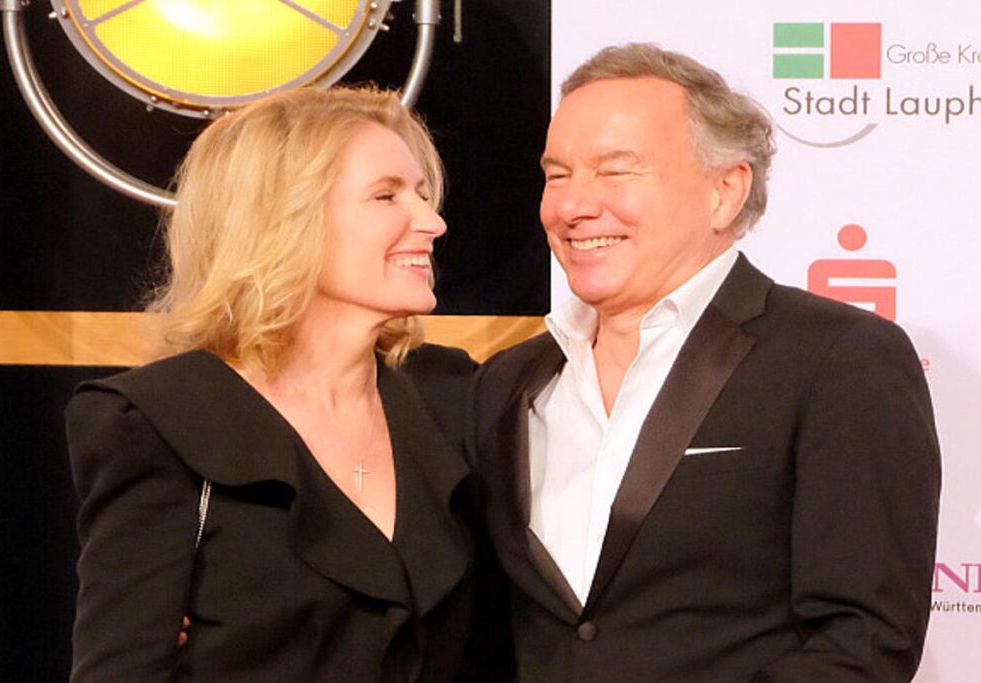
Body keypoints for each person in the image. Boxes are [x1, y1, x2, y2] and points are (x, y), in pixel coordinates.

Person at [469, 43, 941, 681]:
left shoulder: (839, 359)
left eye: (616, 171)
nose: (572, 206)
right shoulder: (506, 382)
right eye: (557, 175)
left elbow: (864, 641)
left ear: (724, 191)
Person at [66, 86, 479, 682]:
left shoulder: (453, 398)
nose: (432, 222)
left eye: (422, 194)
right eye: (386, 195)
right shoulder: (165, 422)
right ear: (283, 219)